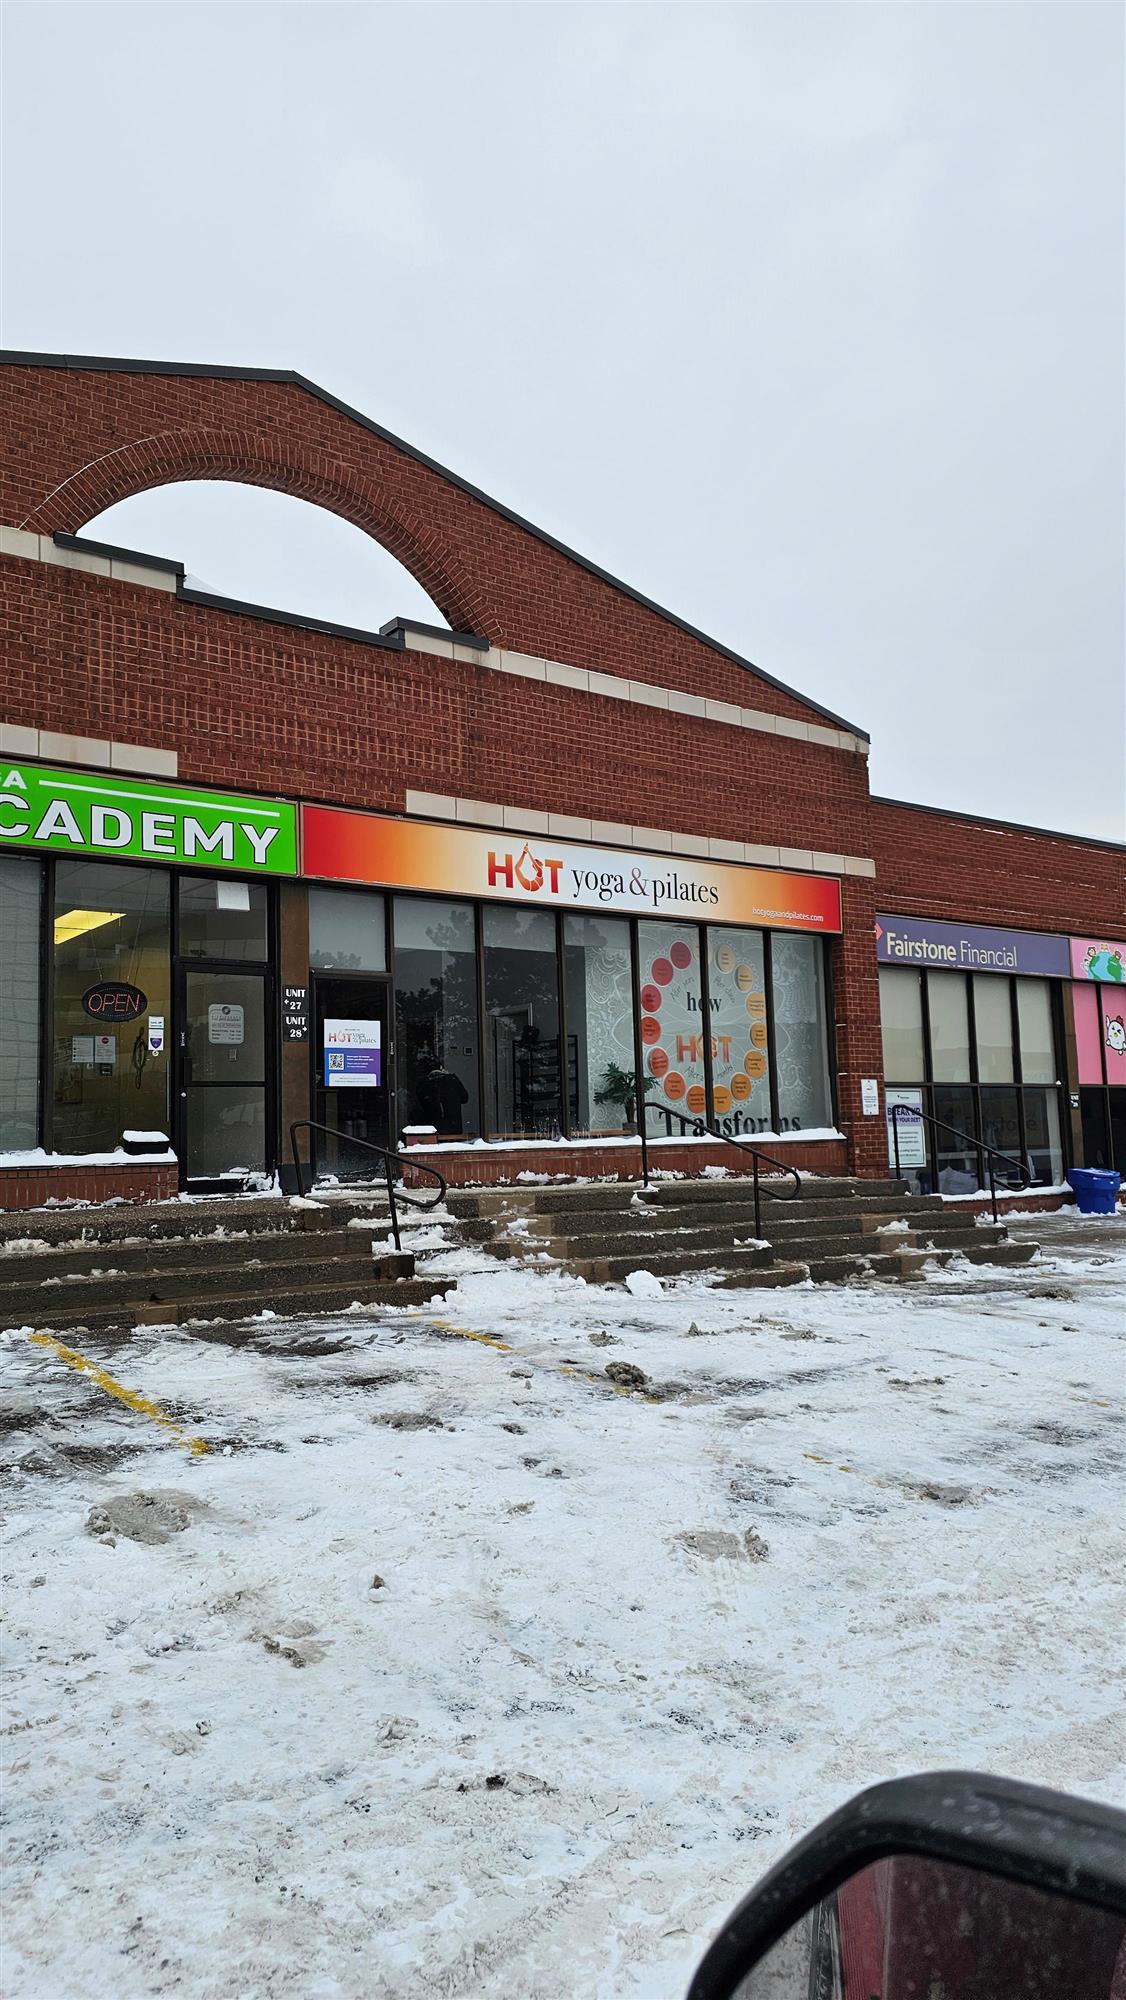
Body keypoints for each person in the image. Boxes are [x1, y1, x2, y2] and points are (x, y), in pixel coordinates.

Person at [414, 1054, 469, 1136]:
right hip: (454, 1126)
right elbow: (465, 1098)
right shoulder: (452, 1080)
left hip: (432, 1128)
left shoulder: (424, 1084)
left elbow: (420, 1105)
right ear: (440, 1067)